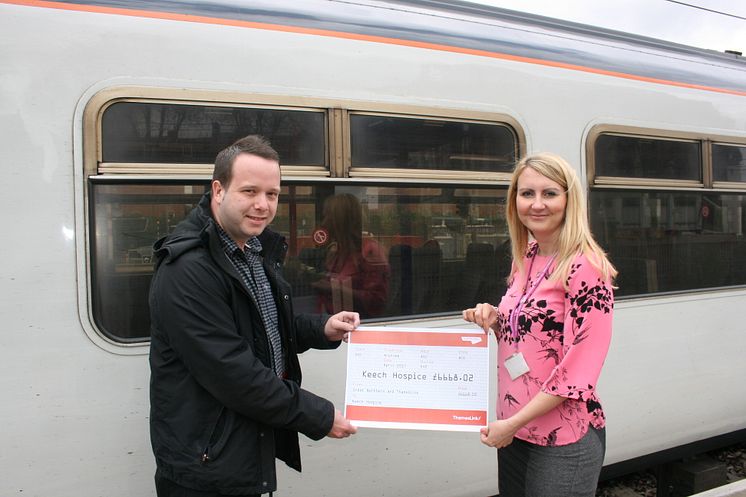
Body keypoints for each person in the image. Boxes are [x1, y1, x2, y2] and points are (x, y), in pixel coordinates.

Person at [148, 135, 358, 497]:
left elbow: (265, 323)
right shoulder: (188, 269)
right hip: (205, 467)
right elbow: (233, 372)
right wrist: (318, 416)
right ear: (218, 190)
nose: (262, 205)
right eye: (249, 191)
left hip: (235, 447)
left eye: (272, 194)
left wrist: (321, 328)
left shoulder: (252, 249)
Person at [462, 153, 617, 497]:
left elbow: (578, 373)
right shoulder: (528, 256)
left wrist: (510, 425)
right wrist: (493, 318)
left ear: (568, 199)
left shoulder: (586, 267)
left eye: (549, 193)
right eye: (527, 193)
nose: (537, 204)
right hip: (516, 429)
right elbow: (529, 334)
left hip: (563, 437)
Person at [312, 193, 390, 318]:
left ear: (340, 220)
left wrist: (336, 290)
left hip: (357, 327)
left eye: (328, 216)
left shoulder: (370, 251)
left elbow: (377, 300)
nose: (324, 222)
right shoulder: (337, 251)